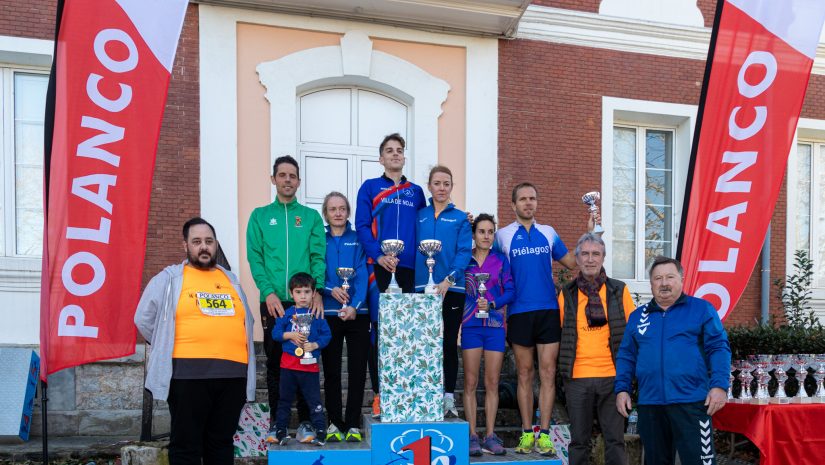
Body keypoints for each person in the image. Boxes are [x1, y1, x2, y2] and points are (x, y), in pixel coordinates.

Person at [134, 217, 256, 465]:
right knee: (186, 445)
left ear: (216, 245)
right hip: (187, 376)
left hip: (232, 377)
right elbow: (143, 318)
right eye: (197, 241)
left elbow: (247, 321)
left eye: (209, 241)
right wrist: (164, 346)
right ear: (185, 246)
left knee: (221, 444)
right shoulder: (169, 279)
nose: (204, 247)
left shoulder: (231, 280)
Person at [493, 182, 587, 457]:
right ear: (513, 205)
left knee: (547, 373)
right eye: (522, 199)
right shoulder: (502, 236)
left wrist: (591, 235)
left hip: (548, 311)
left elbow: (572, 263)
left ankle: (544, 434)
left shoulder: (548, 233)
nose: (528, 203)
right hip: (519, 312)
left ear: (537, 202)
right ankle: (526, 433)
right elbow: (489, 261)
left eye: (532, 198)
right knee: (524, 374)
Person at [615, 256, 731, 465]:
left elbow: (718, 348)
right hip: (651, 405)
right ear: (651, 283)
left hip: (693, 403)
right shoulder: (638, 316)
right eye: (658, 278)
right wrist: (622, 389)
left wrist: (720, 386)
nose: (664, 283)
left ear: (681, 279)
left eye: (670, 276)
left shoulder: (702, 309)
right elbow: (626, 355)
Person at [247, 155, 326, 439]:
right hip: (274, 302)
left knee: (306, 358)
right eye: (282, 175)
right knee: (275, 360)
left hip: (302, 302)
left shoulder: (311, 217)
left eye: (292, 176)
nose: (288, 180)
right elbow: (255, 258)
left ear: (299, 182)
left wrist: (315, 291)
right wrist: (267, 291)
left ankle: (306, 423)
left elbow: (318, 256)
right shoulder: (259, 216)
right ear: (273, 179)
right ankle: (276, 423)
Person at [355, 133, 426, 417]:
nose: (395, 154)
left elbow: (429, 222)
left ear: (404, 157)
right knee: (379, 332)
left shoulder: (416, 191)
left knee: (407, 333)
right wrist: (379, 255)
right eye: (389, 151)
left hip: (410, 270)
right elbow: (361, 226)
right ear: (381, 158)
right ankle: (379, 395)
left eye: (399, 150)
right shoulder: (370, 187)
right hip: (379, 270)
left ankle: (405, 390)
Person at [558, 233, 634, 465]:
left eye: (596, 254)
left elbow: (632, 335)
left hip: (612, 377)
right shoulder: (566, 293)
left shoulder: (619, 290)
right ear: (578, 259)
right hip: (577, 378)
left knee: (615, 440)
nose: (590, 259)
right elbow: (563, 333)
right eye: (585, 254)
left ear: (603, 258)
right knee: (578, 442)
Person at [414, 165, 472, 418]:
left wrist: (449, 280)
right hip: (421, 288)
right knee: (424, 344)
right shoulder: (419, 216)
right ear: (429, 186)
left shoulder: (460, 218)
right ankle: (424, 394)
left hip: (453, 288)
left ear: (451, 187)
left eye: (446, 183)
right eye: (437, 183)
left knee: (448, 342)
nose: (441, 188)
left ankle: (448, 397)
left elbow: (463, 252)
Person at [319, 192, 370, 443]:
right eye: (332, 209)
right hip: (328, 312)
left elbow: (362, 273)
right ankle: (334, 423)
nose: (337, 213)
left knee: (358, 370)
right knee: (331, 371)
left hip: (357, 314)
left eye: (341, 208)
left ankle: (352, 424)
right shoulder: (319, 239)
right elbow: (315, 269)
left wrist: (355, 305)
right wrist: (330, 289)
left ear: (348, 212)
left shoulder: (359, 238)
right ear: (325, 214)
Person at [462, 213, 514, 457]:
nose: (486, 236)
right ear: (474, 234)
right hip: (471, 325)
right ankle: (472, 435)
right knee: (470, 383)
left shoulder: (501, 260)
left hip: (494, 327)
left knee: (492, 383)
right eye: (481, 231)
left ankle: (490, 435)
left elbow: (510, 292)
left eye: (490, 232)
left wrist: (493, 304)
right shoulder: (465, 260)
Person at [268, 272, 332, 446]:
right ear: (291, 294)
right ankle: (281, 430)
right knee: (284, 400)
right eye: (298, 292)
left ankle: (320, 431)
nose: (302, 296)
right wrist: (290, 335)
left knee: (314, 401)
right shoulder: (287, 314)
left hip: (309, 367)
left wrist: (315, 345)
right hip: (288, 366)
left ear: (313, 293)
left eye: (306, 291)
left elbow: (327, 335)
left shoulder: (317, 315)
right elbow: (275, 333)